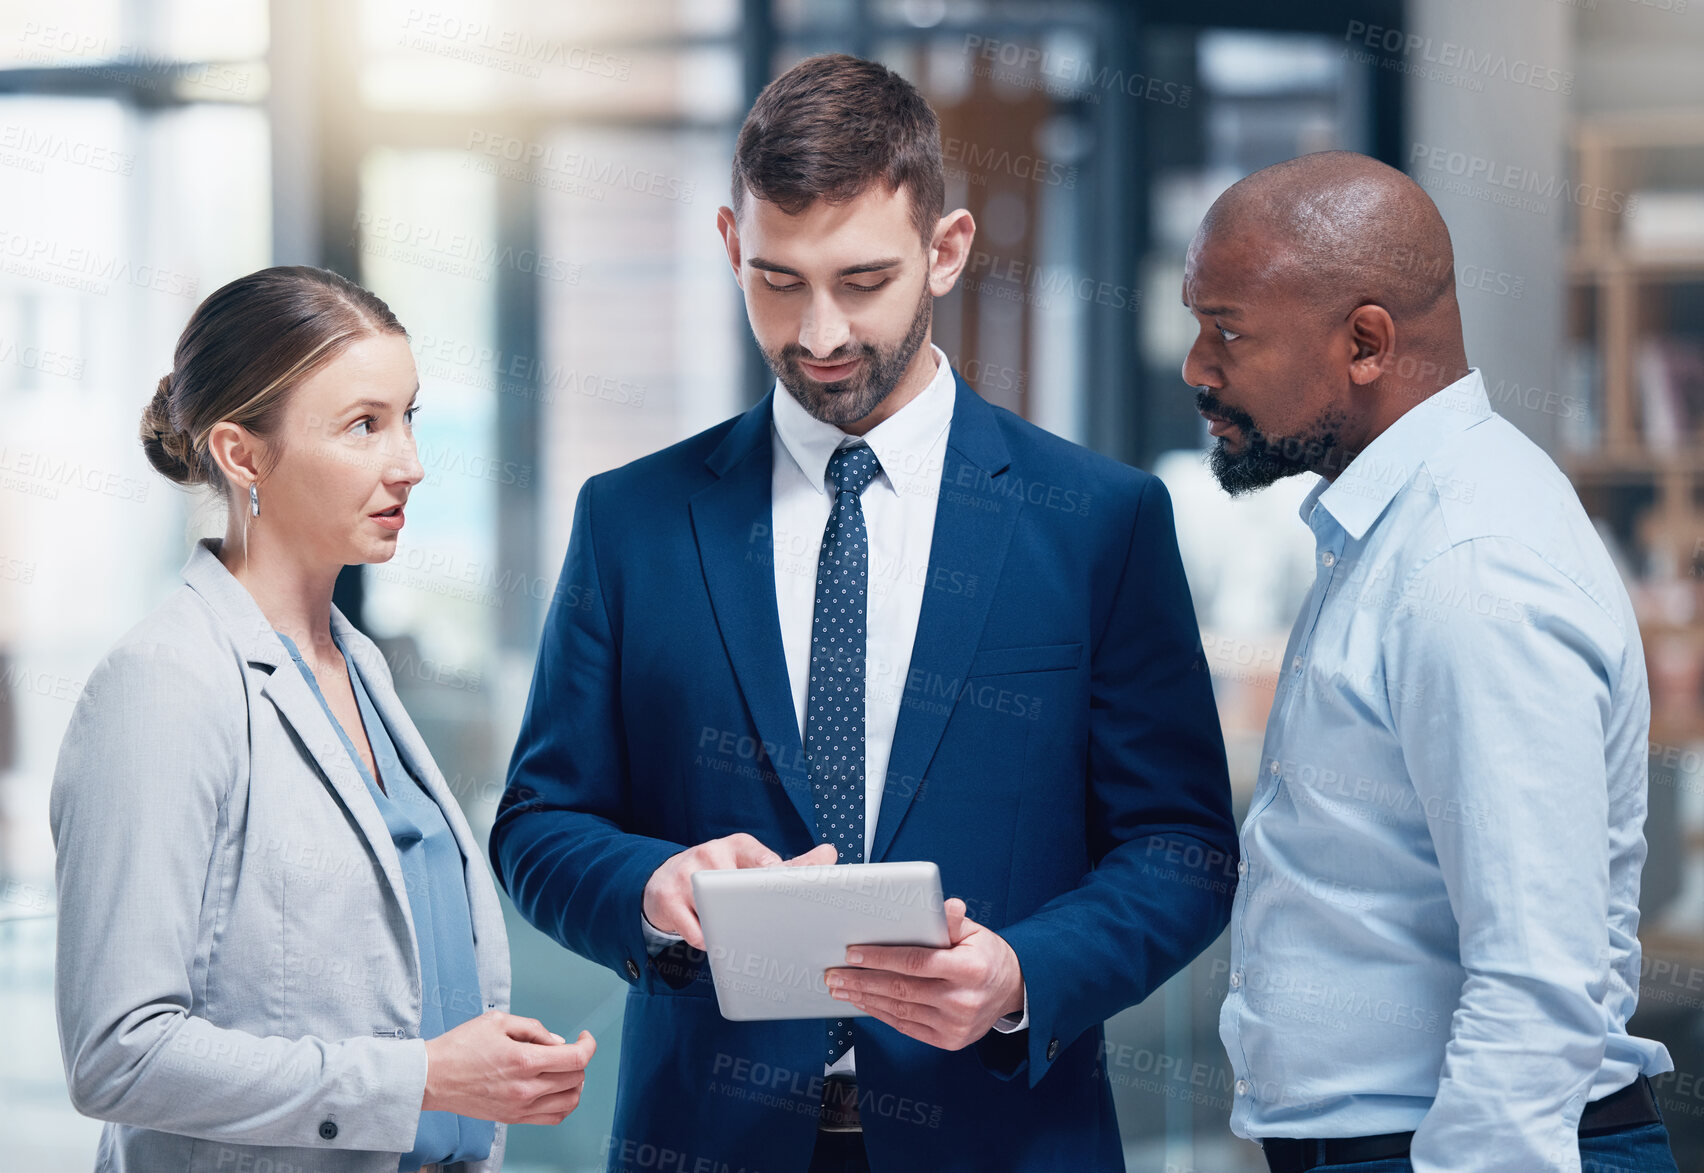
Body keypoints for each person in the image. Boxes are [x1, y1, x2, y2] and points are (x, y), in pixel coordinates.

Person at [491, 54, 1237, 1173]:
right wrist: (650, 890)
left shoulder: (1099, 520)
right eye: (779, 282)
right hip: (709, 1136)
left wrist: (1023, 977)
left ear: (947, 252)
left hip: (1005, 1136)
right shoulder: (631, 522)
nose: (821, 332)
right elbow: (540, 823)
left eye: (863, 280)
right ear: (731, 245)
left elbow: (1181, 848)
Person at [1183, 151, 1678, 1173]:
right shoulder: (1395, 528)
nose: (1197, 365)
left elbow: (1536, 982)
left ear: (1367, 343)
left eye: (1228, 329)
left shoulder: (1470, 563)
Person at [51, 266, 594, 1173]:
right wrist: (417, 1076)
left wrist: (481, 1071)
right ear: (242, 454)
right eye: (363, 425)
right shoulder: (164, 686)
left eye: (409, 415)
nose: (409, 462)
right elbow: (118, 1052)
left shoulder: (361, 666)